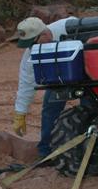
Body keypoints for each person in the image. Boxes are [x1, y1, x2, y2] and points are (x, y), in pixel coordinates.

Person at [12, 15, 79, 159]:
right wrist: (20, 113)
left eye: (32, 43)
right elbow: (26, 82)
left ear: (44, 34)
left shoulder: (69, 27)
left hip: (87, 73)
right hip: (61, 77)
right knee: (50, 108)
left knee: (91, 107)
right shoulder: (32, 53)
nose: (31, 48)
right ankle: (46, 151)